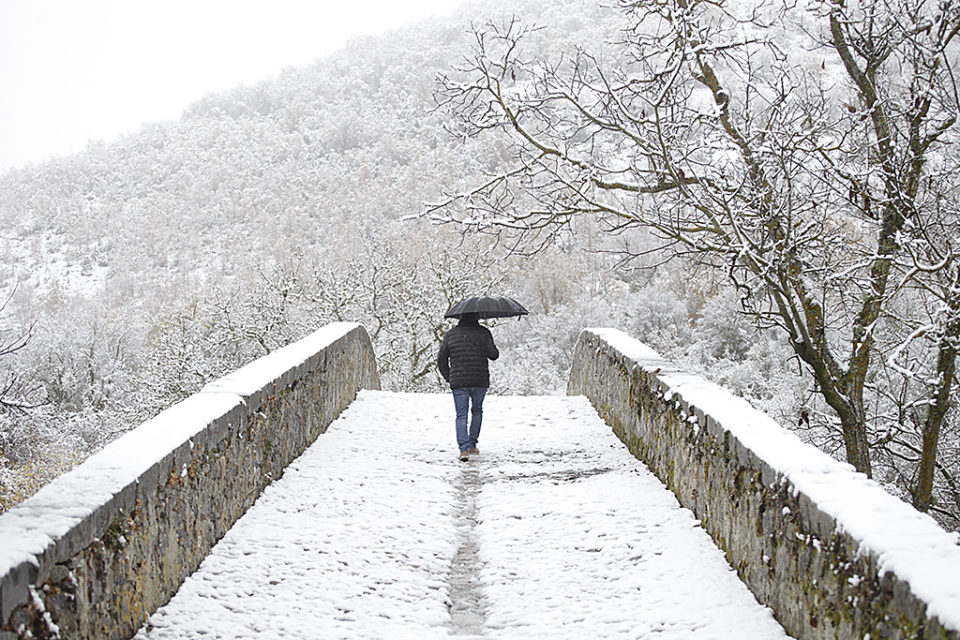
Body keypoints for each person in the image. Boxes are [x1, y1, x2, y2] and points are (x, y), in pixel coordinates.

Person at [437, 312, 499, 461]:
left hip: (458, 380)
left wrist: (449, 377)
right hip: (479, 379)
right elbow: (494, 355)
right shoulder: (483, 332)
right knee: (477, 411)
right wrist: (490, 344)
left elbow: (441, 360)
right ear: (477, 317)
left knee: (461, 415)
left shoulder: (450, 335)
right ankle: (472, 444)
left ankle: (463, 450)